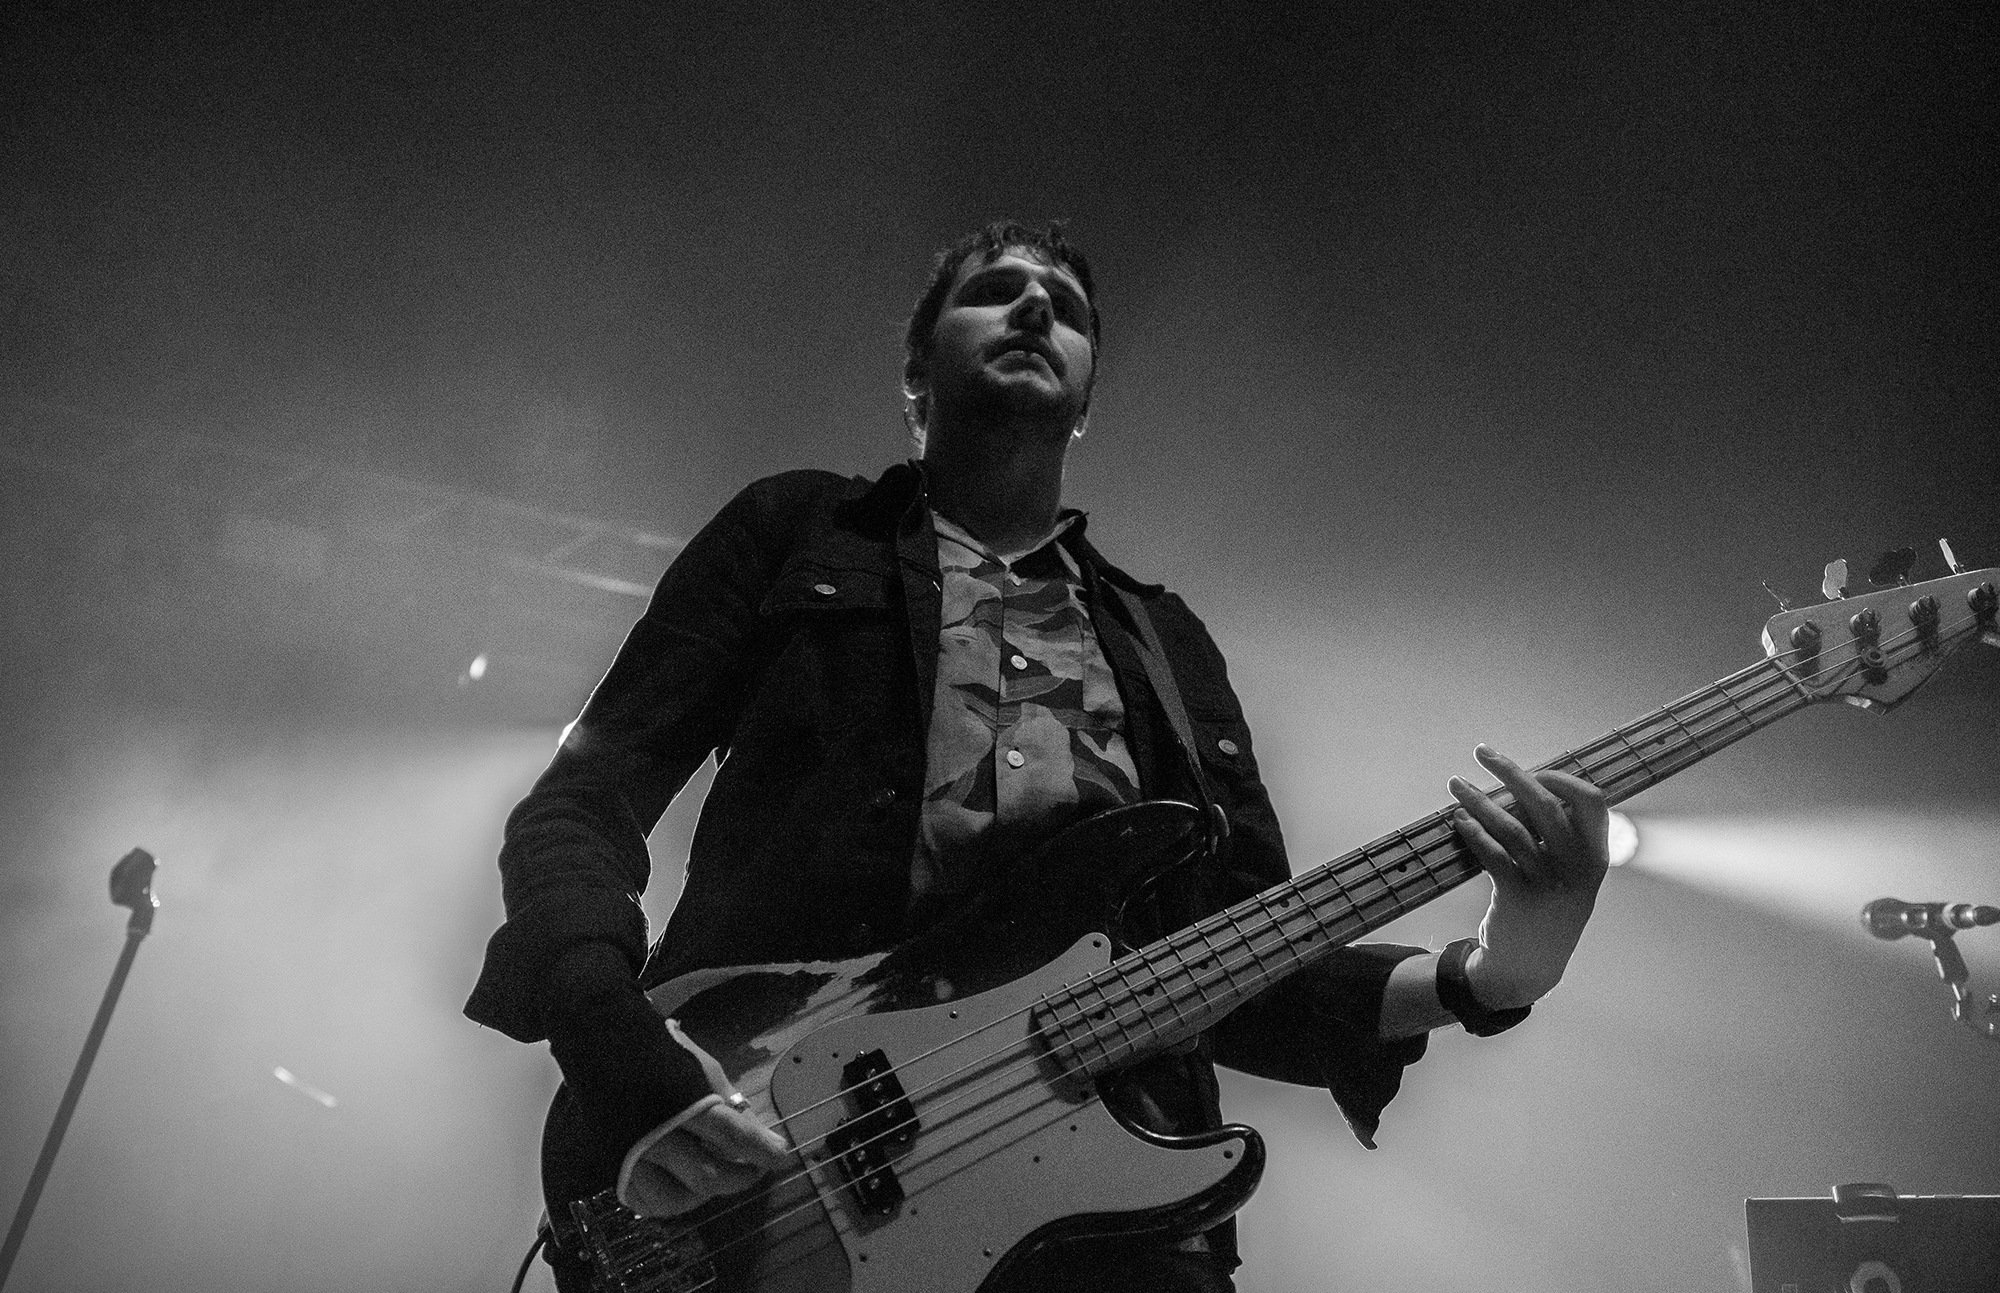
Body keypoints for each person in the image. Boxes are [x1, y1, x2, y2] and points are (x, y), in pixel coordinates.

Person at [465, 221, 1609, 1292]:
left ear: (1086, 399)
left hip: (1111, 1234)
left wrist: (1499, 971)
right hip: (770, 1159)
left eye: (1062, 307)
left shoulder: (1164, 643)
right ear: (915, 372)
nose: (1030, 310)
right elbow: (580, 803)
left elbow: (1243, 967)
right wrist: (614, 1041)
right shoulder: (796, 532)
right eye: (993, 291)